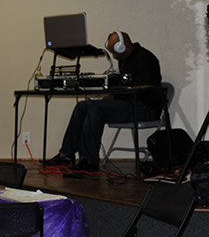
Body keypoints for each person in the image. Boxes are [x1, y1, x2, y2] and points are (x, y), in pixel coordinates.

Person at [43, 31, 162, 172]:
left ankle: (89, 161)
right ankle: (66, 154)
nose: (115, 56)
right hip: (129, 104)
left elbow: (143, 89)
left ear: (125, 45)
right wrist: (113, 93)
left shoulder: (145, 58)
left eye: (116, 52)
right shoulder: (124, 59)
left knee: (94, 107)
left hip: (145, 108)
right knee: (82, 106)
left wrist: (115, 96)